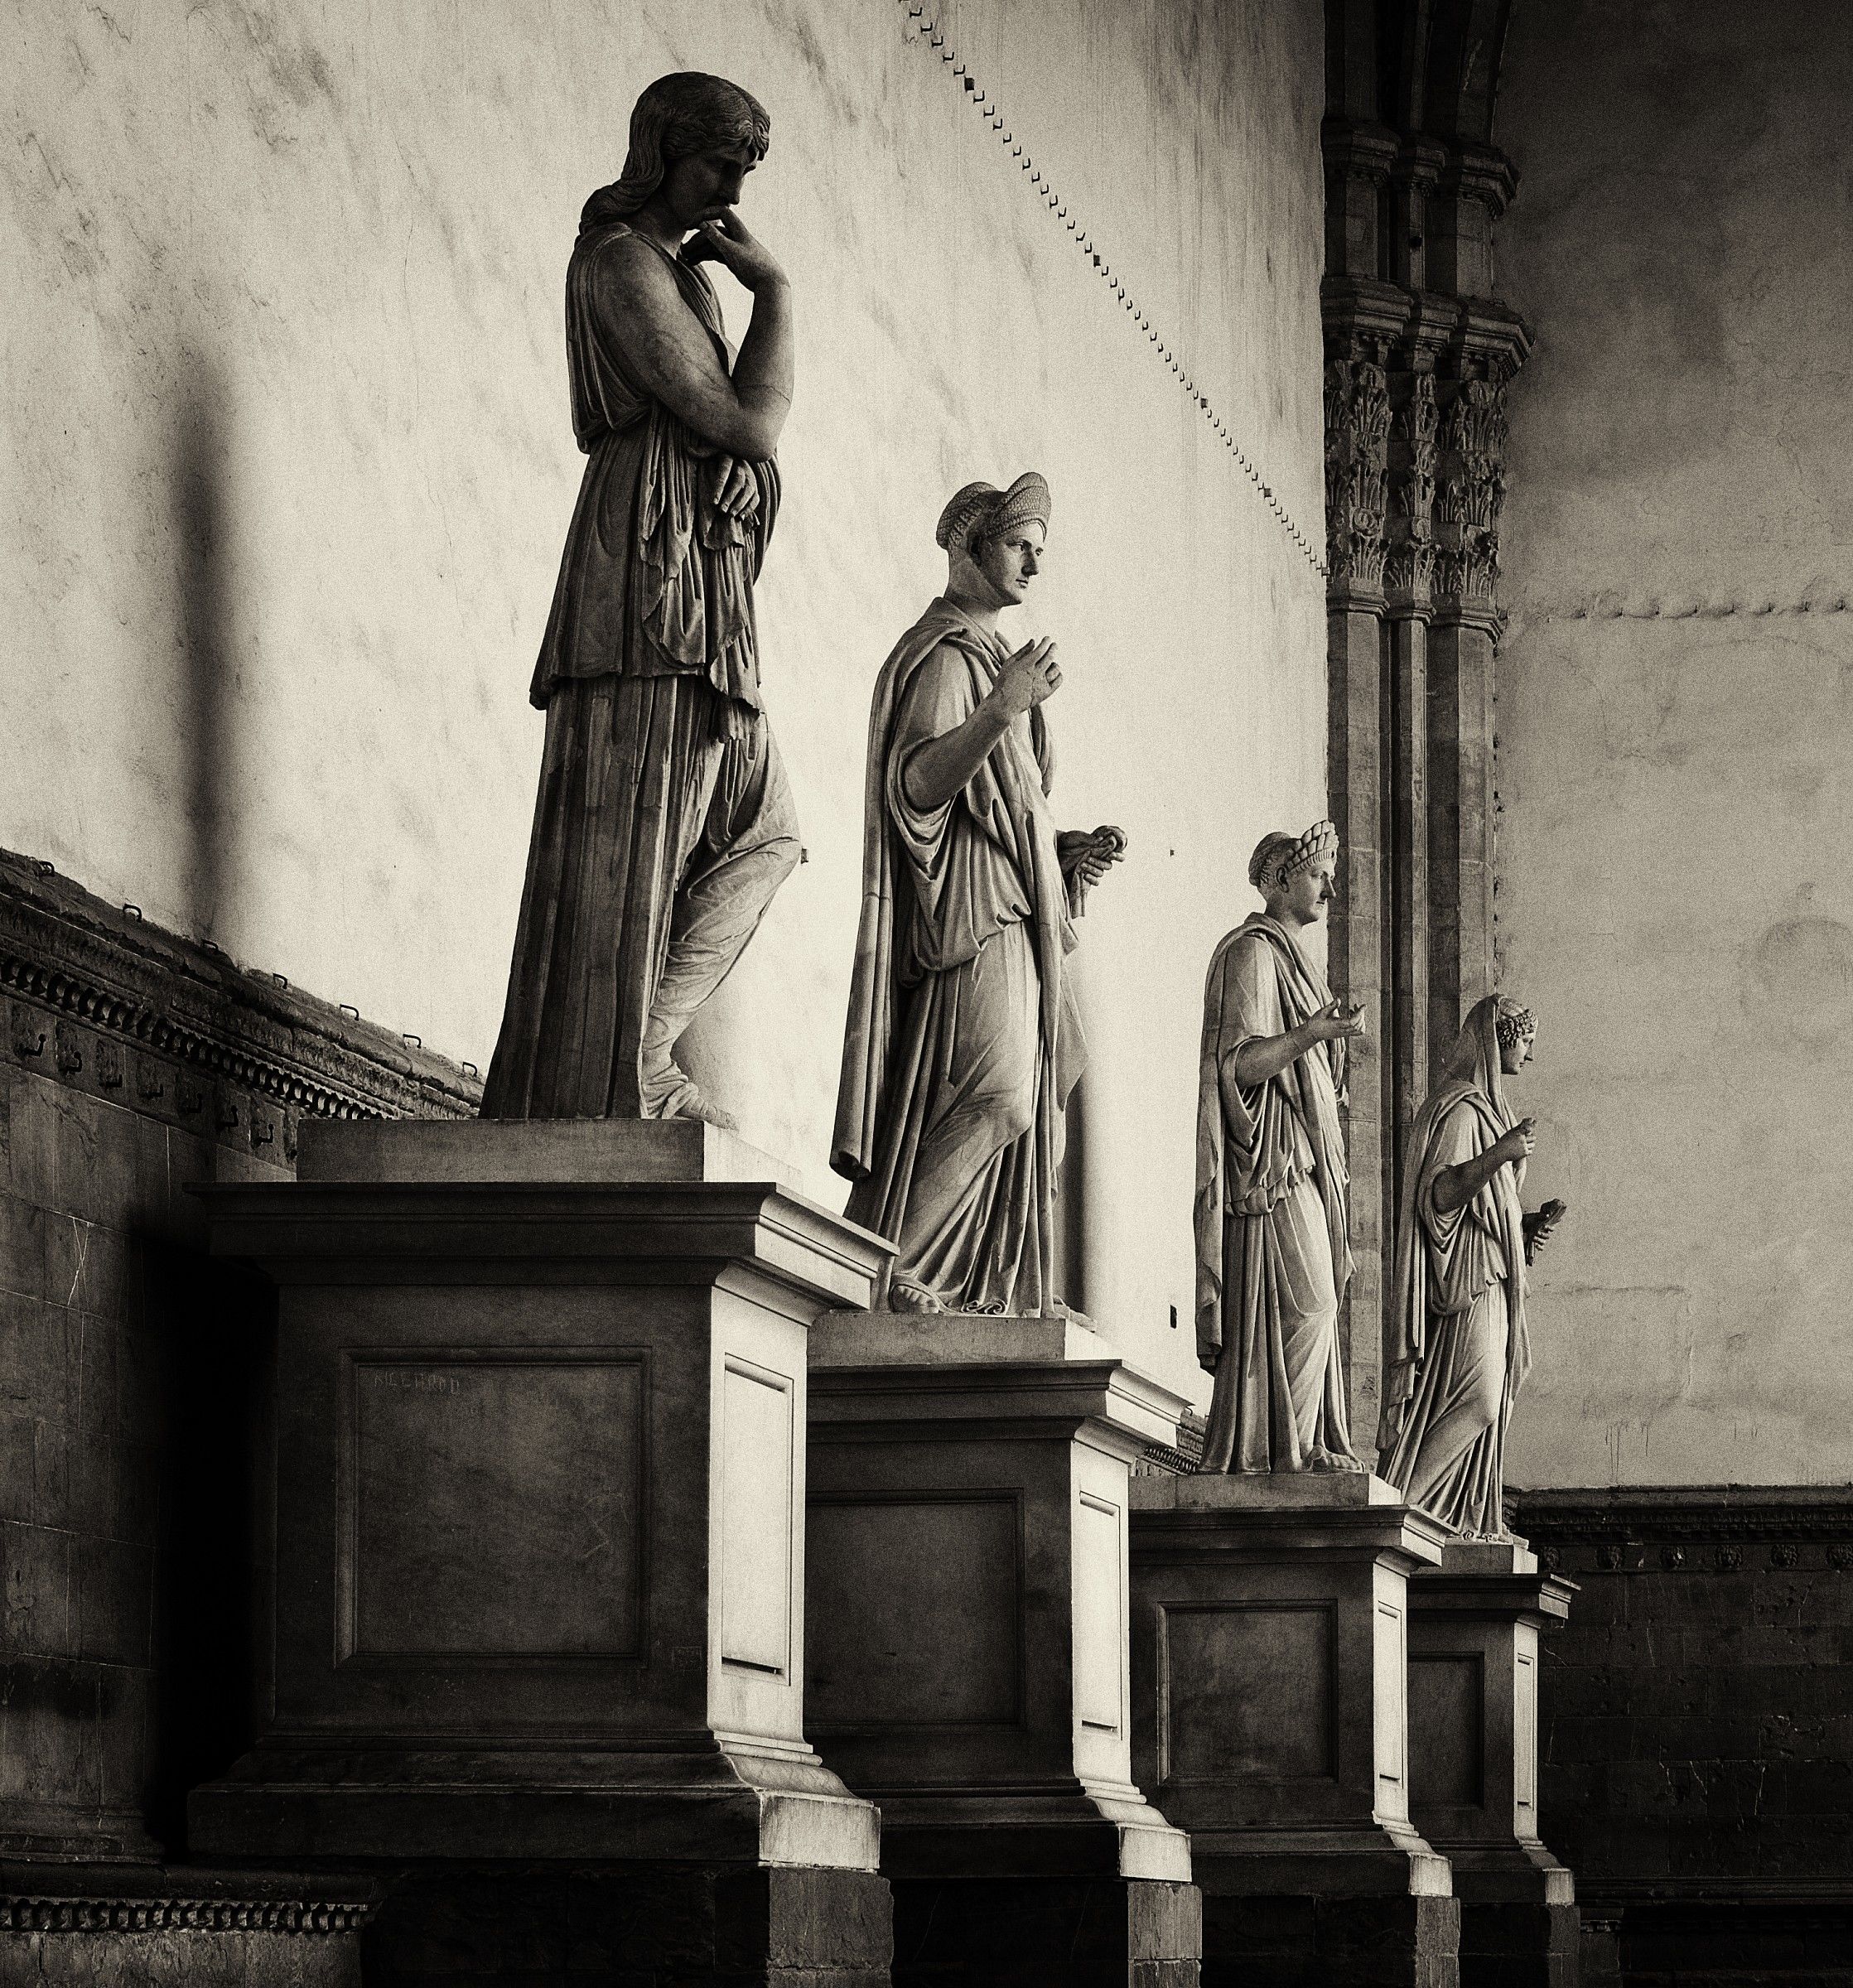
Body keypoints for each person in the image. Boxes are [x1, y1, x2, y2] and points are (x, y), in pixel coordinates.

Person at [481, 73, 799, 1128]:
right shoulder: (620, 264)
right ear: (661, 151)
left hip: (698, 581)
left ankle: (640, 1052)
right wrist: (777, 296)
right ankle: (612, 1079)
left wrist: (746, 477)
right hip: (645, 575)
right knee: (639, 828)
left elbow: (738, 443)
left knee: (760, 830)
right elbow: (745, 424)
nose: (732, 193)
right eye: (718, 165)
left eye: (744, 171)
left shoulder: (684, 282)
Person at [832, 475, 1125, 1315]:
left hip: (1019, 903)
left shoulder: (999, 664)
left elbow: (1010, 804)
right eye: (1018, 545)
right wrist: (1000, 709)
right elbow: (919, 784)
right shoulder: (946, 657)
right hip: (969, 909)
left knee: (1029, 1092)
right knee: (996, 1095)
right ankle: (887, 1271)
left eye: (1038, 550)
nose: (1033, 564)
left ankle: (969, 1280)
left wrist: (1062, 856)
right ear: (971, 545)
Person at [1194, 823, 1367, 1472]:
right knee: (1309, 1304)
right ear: (1281, 879)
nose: (1330, 889)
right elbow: (1236, 1066)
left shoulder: (1300, 966)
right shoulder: (1252, 954)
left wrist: (1323, 1041)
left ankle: (1301, 1444)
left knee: (1320, 1304)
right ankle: (1278, 1454)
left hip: (1307, 1161)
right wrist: (1309, 1035)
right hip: (1272, 1164)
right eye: (1319, 874)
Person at [1377, 995, 1567, 1536]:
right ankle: (1401, 1513)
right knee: (1478, 1399)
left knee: (1490, 1399)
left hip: (1494, 1274)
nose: (1529, 1055)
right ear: (1498, 1040)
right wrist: (1500, 1153)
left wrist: (1522, 1230)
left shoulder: (1491, 1113)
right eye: (1525, 1042)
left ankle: (1446, 1517)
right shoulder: (1461, 1111)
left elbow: (1485, 1208)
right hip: (1464, 1282)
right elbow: (1439, 1195)